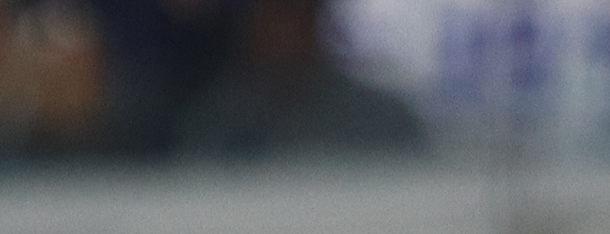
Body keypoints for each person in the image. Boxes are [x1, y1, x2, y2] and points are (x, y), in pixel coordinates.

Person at [173, 0, 426, 155]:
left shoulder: (383, 117)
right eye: (272, 15)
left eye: (297, 15)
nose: (284, 32)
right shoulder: (212, 122)